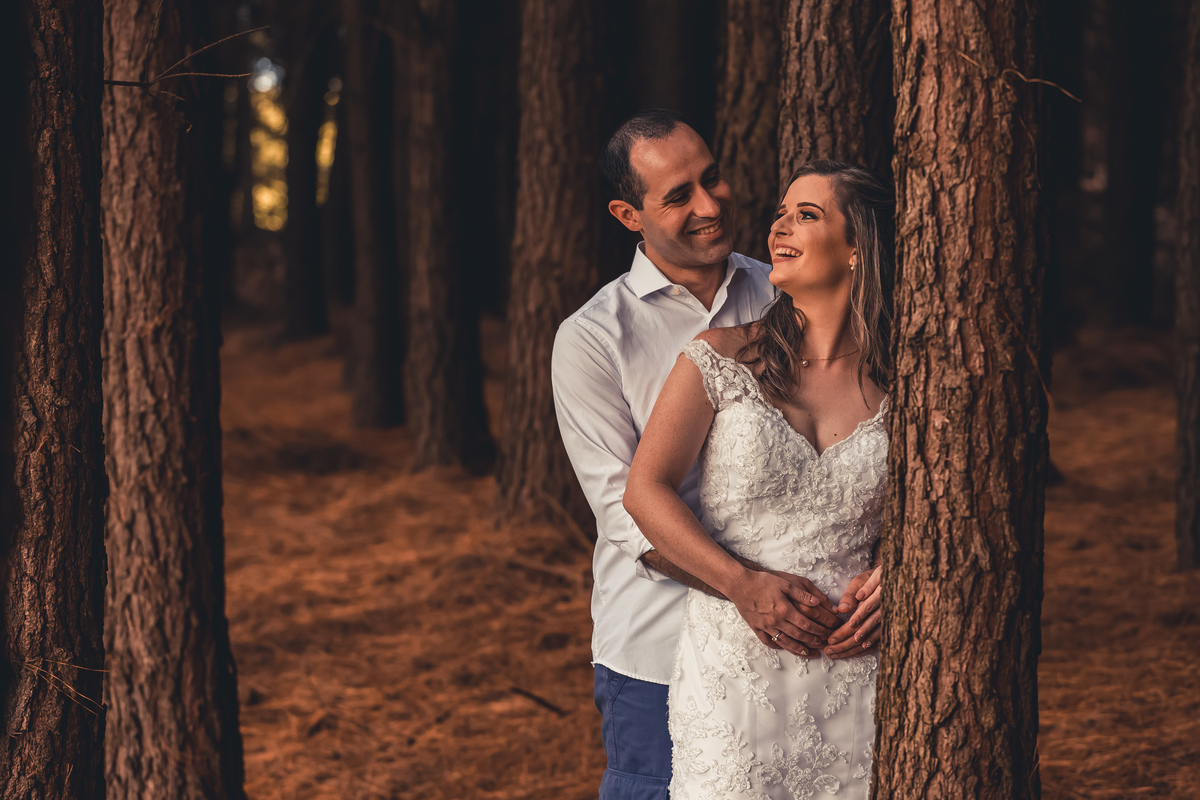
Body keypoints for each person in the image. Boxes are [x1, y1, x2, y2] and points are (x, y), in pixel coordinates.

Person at [553, 111, 880, 799]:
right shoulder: (593, 338)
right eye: (678, 195)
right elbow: (624, 511)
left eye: (713, 178)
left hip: (835, 652)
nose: (709, 205)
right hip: (657, 646)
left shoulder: (791, 285)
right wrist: (743, 587)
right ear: (628, 214)